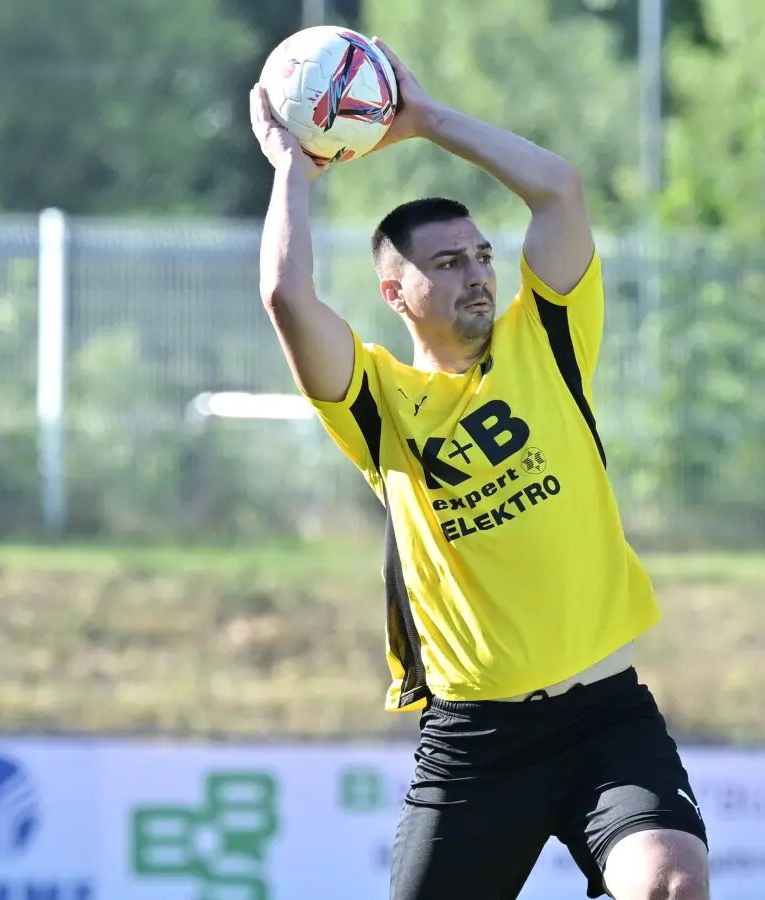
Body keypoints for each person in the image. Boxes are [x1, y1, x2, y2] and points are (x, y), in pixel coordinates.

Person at [248, 35, 710, 900]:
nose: (477, 275)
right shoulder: (378, 403)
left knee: (671, 886)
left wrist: (424, 120)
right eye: (448, 262)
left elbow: (558, 187)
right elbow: (286, 297)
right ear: (395, 292)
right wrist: (291, 169)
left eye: (482, 256)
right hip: (474, 745)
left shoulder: (550, 342)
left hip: (605, 719)